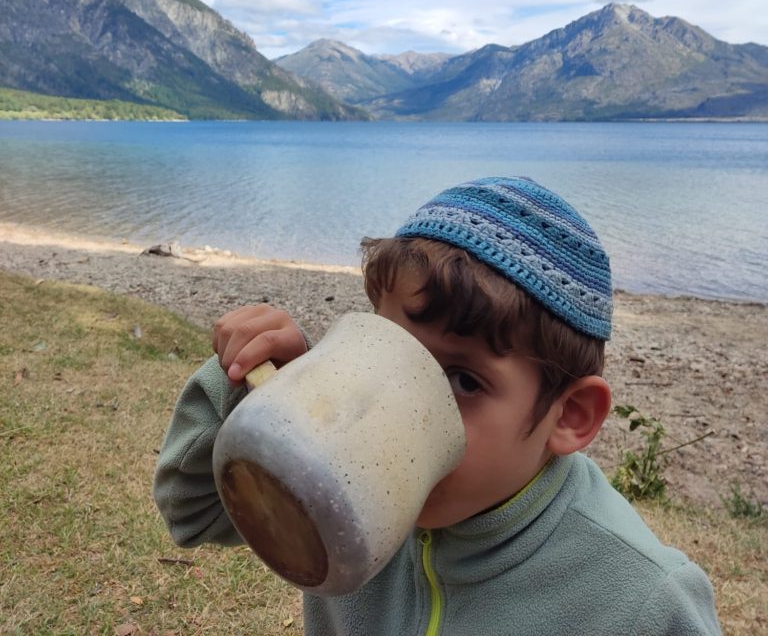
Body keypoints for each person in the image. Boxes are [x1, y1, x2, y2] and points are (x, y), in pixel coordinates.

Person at [154, 176, 721, 635]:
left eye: (461, 380)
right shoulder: (346, 479)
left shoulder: (642, 600)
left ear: (570, 416)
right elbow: (193, 512)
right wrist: (259, 391)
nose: (392, 409)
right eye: (390, 348)